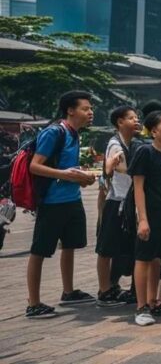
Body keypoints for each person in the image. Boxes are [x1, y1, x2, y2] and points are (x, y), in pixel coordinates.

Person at [25, 91, 97, 319]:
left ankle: (69, 291)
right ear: (70, 110)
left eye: (90, 108)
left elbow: (68, 169)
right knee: (39, 251)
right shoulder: (54, 132)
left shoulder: (74, 133)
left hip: (72, 199)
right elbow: (35, 166)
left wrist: (81, 178)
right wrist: (67, 176)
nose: (90, 112)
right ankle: (33, 303)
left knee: (70, 245)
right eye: (86, 108)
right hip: (52, 202)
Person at [129, 111, 161, 326]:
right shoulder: (145, 152)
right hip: (149, 214)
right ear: (154, 131)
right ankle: (141, 307)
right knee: (143, 258)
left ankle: (154, 301)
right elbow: (138, 188)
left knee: (158, 258)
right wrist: (142, 219)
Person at [96, 106, 139, 307]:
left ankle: (112, 285)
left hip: (127, 201)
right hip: (116, 202)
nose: (136, 121)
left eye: (137, 118)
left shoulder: (132, 143)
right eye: (132, 118)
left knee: (122, 247)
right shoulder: (115, 144)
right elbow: (122, 168)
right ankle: (104, 290)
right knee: (106, 248)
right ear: (120, 122)